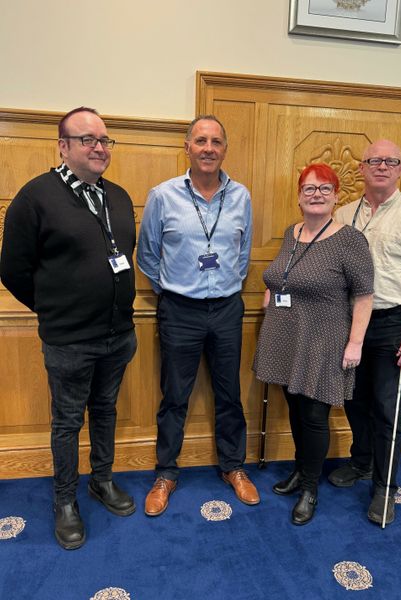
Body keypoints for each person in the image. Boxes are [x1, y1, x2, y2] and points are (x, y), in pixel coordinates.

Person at [0, 107, 137, 550]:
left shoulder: (117, 196)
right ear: (63, 146)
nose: (99, 147)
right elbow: (13, 269)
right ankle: (64, 501)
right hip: (69, 340)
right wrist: (54, 309)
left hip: (118, 336)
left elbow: (123, 253)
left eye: (104, 140)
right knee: (65, 422)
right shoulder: (35, 196)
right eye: (87, 139)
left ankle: (102, 480)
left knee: (106, 410)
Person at [137, 115, 259, 516]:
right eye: (201, 140)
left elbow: (242, 256)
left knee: (229, 394)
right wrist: (170, 290)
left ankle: (233, 467)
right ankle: (166, 473)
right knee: (174, 396)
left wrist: (226, 284)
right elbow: (148, 254)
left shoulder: (241, 196)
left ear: (225, 149)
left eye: (217, 142)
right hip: (180, 310)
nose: (209, 148)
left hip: (226, 308)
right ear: (187, 146)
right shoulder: (163, 195)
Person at [328, 140, 401, 525]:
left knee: (387, 409)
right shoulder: (343, 214)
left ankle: (385, 487)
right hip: (350, 324)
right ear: (361, 168)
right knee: (354, 402)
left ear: (400, 169)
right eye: (374, 161)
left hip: (396, 323)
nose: (382, 166)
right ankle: (361, 462)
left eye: (390, 161)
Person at [253, 163, 374, 525]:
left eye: (324, 188)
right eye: (309, 188)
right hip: (287, 336)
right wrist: (269, 293)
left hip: (325, 339)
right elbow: (282, 274)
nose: (316, 194)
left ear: (337, 196)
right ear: (299, 196)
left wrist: (355, 344)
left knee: (314, 415)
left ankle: (310, 488)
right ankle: (300, 470)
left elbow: (365, 295)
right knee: (293, 407)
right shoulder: (292, 233)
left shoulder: (349, 239)